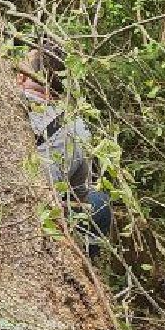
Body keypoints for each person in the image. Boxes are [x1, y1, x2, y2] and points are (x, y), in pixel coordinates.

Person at [17, 40, 113, 254]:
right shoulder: (78, 129)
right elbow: (79, 192)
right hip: (44, 216)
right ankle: (88, 262)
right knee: (100, 202)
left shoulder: (2, 103)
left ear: (22, 76)